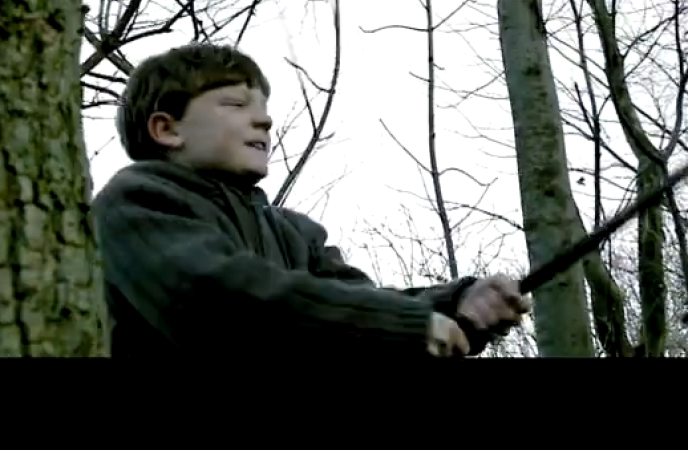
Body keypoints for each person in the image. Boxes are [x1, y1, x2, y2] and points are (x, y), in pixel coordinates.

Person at [91, 42, 531, 357]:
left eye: (264, 109)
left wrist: (455, 303)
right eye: (236, 104)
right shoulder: (135, 202)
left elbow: (352, 302)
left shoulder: (294, 233)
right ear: (167, 129)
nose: (264, 121)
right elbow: (219, 302)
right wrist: (405, 326)